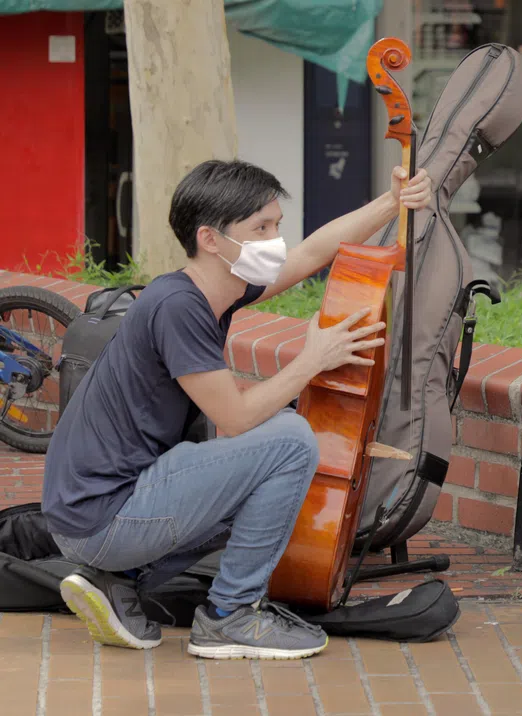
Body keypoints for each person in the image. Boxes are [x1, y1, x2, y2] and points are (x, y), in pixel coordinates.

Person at [42, 158, 432, 659]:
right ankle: (230, 614)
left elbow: (315, 250)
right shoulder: (179, 307)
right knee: (289, 442)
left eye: (275, 225)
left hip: (96, 514)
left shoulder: (214, 291)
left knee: (274, 484)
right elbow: (235, 418)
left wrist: (392, 202)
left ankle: (121, 579)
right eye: (261, 228)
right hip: (103, 519)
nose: (274, 239)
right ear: (210, 239)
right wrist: (312, 359)